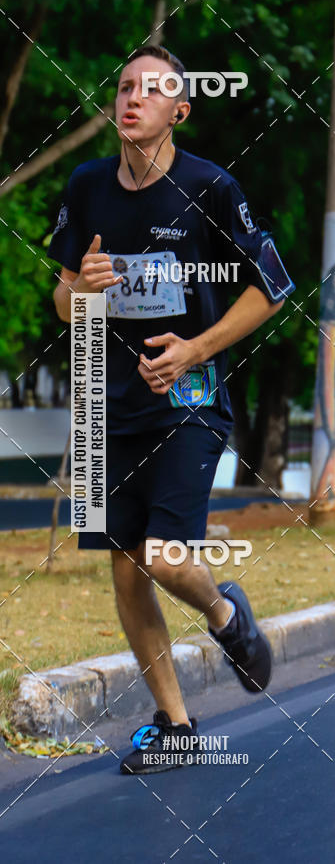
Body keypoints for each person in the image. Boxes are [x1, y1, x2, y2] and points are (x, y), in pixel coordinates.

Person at [49, 45, 295, 774]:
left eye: (151, 91)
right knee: (124, 572)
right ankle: (177, 727)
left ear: (178, 111)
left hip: (186, 399)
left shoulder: (211, 188)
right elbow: (64, 303)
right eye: (124, 86)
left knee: (162, 558)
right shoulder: (87, 185)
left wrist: (196, 349)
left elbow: (273, 288)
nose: (132, 99)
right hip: (104, 406)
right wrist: (83, 290)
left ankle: (224, 614)